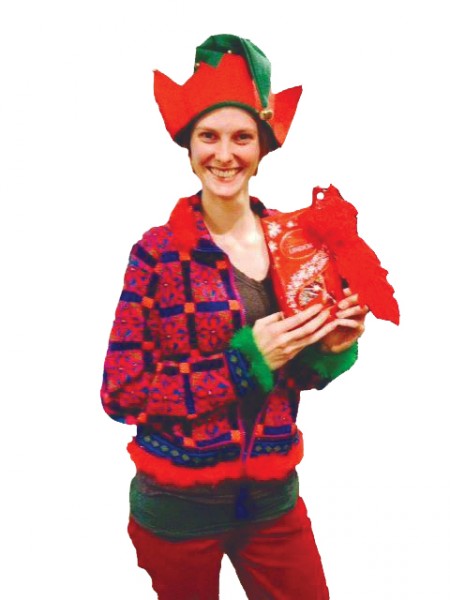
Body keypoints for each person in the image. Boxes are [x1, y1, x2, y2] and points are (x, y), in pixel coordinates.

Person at [101, 34, 367, 600]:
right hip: (178, 512)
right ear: (188, 145)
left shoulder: (296, 241)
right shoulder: (156, 254)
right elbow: (121, 393)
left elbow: (297, 376)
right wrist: (243, 364)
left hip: (272, 501)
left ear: (263, 147)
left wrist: (332, 348)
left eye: (241, 137)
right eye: (209, 136)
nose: (224, 154)